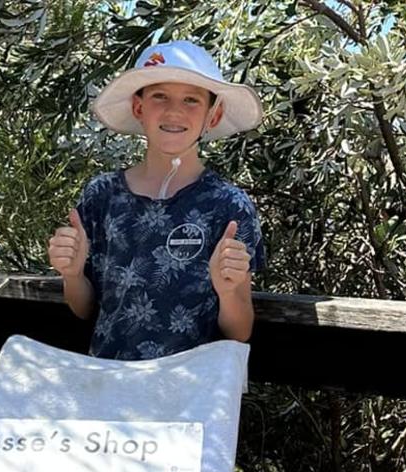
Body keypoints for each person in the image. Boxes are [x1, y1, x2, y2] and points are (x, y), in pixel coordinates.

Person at [47, 39, 266, 361]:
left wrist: (229, 290)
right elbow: (85, 309)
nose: (174, 111)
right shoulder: (101, 196)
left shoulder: (229, 206)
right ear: (139, 108)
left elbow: (240, 330)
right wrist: (72, 274)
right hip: (108, 383)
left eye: (191, 100)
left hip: (190, 393)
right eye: (159, 96)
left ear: (213, 115)